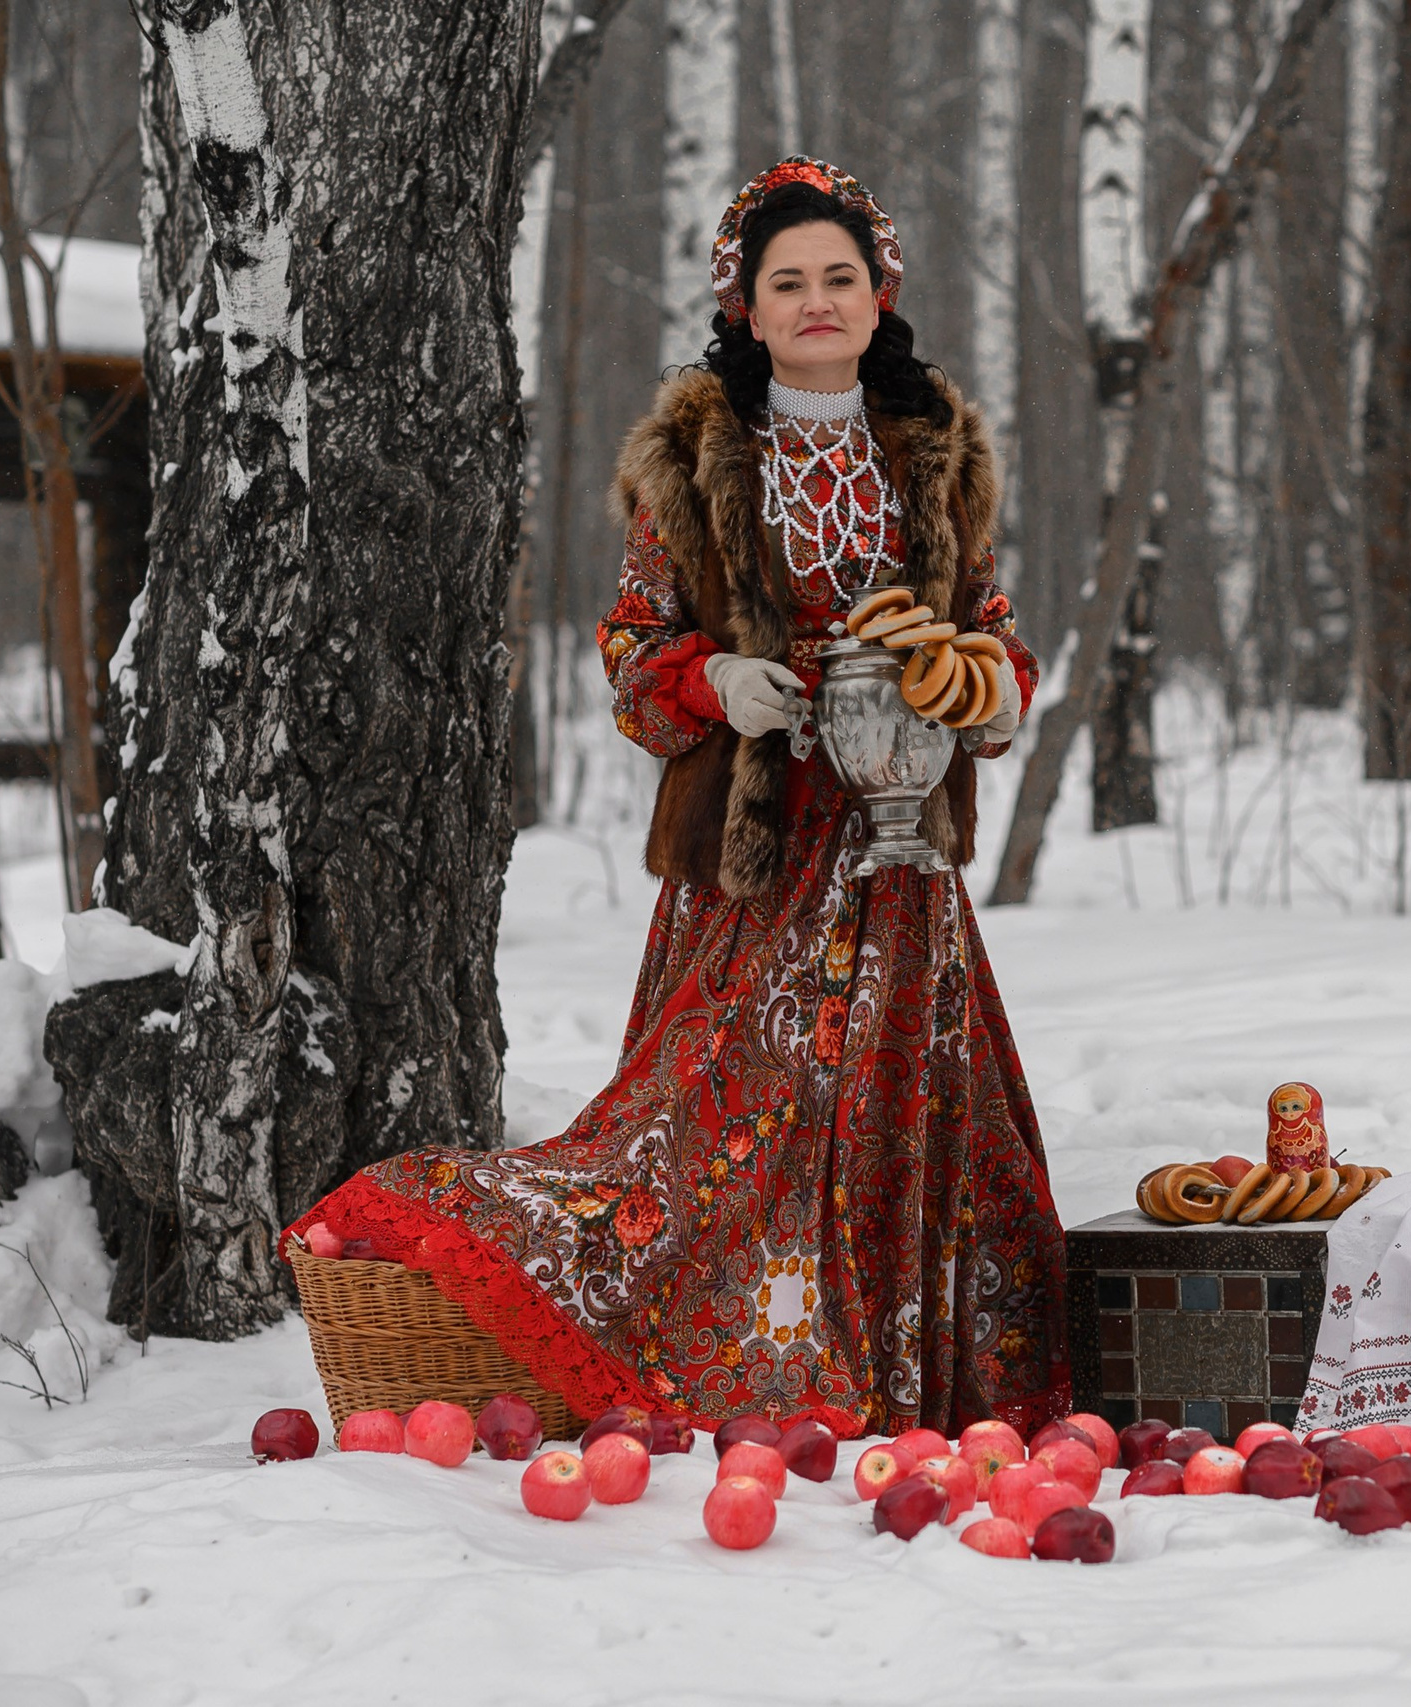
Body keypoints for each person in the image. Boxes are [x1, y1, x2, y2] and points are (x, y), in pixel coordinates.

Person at [293, 159, 1068, 1439]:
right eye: (787, 283)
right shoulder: (697, 456)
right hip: (751, 860)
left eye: (839, 277)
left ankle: (904, 1376)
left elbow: (993, 631)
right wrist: (715, 681)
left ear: (878, 295)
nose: (816, 303)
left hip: (897, 854)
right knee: (724, 1129)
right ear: (744, 308)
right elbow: (630, 648)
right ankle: (748, 1359)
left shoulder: (934, 455)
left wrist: (983, 689)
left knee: (887, 1115)